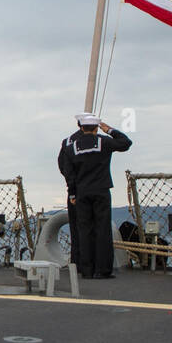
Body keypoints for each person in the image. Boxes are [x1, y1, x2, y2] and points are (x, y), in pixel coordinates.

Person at [57, 113, 133, 279]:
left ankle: (86, 269)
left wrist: (72, 194)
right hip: (101, 190)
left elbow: (68, 172)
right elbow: (126, 143)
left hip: (81, 193)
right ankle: (102, 269)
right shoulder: (103, 142)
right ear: (96, 127)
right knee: (102, 229)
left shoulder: (71, 147)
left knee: (84, 230)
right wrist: (110, 130)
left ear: (81, 127)